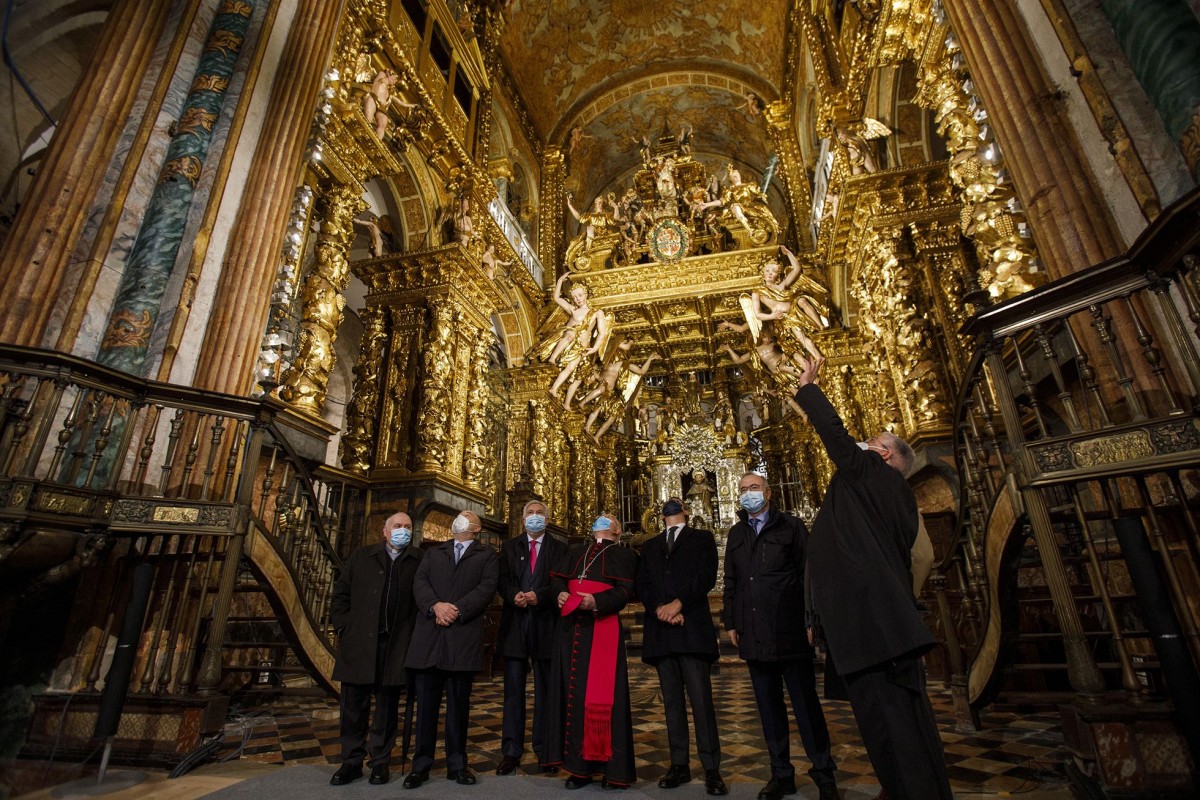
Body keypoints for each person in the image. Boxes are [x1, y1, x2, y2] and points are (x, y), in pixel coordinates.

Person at [793, 355, 952, 800]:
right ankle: (902, 787)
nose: (862, 444)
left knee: (895, 723)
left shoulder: (876, 475)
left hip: (875, 629)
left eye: (872, 441)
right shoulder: (877, 491)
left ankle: (914, 791)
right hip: (868, 628)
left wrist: (809, 389)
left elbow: (838, 440)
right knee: (884, 724)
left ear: (884, 454)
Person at [722, 474, 838, 800]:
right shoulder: (736, 533)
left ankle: (824, 775)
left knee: (806, 707)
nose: (748, 494)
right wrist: (731, 621)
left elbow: (809, 575)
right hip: (754, 633)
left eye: (753, 488)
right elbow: (732, 581)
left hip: (790, 631)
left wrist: (811, 619)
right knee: (769, 710)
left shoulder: (791, 527)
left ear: (768, 493)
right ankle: (781, 774)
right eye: (743, 490)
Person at [635, 499, 726, 796]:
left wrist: (679, 603)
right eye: (666, 508)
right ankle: (679, 764)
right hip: (661, 630)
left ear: (686, 511)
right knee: (671, 702)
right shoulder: (649, 546)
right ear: (659, 516)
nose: (671, 510)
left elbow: (706, 576)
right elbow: (643, 583)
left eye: (676, 507)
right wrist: (660, 608)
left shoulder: (701, 538)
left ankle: (712, 767)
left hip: (691, 627)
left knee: (701, 701)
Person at [403, 510, 499, 788]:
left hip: (461, 636)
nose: (460, 518)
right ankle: (420, 765)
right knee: (427, 708)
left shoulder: (487, 555)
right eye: (459, 514)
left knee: (458, 707)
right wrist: (435, 606)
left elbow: (487, 587)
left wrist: (458, 609)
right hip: (430, 636)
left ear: (477, 527)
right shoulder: (433, 552)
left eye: (467, 516)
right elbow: (420, 583)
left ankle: (457, 764)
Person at [329, 512, 423, 786]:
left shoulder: (418, 560)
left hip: (395, 646)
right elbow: (341, 595)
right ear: (385, 531)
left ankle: (380, 762)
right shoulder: (362, 557)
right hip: (360, 643)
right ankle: (351, 762)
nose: (402, 530)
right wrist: (344, 627)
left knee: (386, 707)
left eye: (407, 527)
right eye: (397, 526)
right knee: (352, 707)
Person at [546, 513, 638, 789]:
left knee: (604, 698)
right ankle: (578, 769)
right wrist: (559, 593)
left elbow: (626, 592)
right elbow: (557, 580)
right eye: (598, 517)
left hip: (602, 627)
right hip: (569, 629)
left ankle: (613, 771)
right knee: (571, 694)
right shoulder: (575, 551)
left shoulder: (625, 555)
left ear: (618, 529)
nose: (601, 519)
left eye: (609, 518)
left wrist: (596, 601)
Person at [496, 500, 567, 775]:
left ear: (547, 520)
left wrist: (542, 595)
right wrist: (513, 594)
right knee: (513, 693)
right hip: (515, 624)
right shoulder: (510, 546)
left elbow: (561, 582)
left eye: (540, 513)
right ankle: (511, 751)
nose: (535, 517)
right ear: (523, 520)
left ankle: (545, 750)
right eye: (530, 513)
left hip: (546, 625)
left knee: (546, 693)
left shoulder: (560, 548)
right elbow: (501, 580)